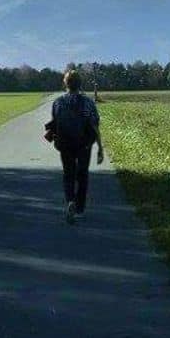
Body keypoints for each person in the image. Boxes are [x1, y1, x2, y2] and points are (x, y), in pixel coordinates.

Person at [47, 70, 104, 224]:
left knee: (68, 174)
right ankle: (79, 208)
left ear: (65, 83)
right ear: (80, 84)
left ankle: (70, 201)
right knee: (82, 175)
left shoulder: (58, 102)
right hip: (84, 143)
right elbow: (94, 125)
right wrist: (100, 148)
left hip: (65, 144)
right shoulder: (88, 102)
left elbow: (55, 123)